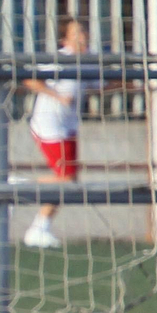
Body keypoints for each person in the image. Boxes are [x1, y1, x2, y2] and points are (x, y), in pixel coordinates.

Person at [20, 18, 94, 250]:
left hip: (69, 125)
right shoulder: (60, 59)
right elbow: (30, 79)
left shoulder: (89, 60)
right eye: (76, 33)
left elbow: (98, 83)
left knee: (68, 179)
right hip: (50, 125)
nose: (81, 37)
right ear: (65, 39)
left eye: (83, 32)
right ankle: (19, 188)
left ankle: (40, 227)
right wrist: (58, 96)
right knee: (67, 178)